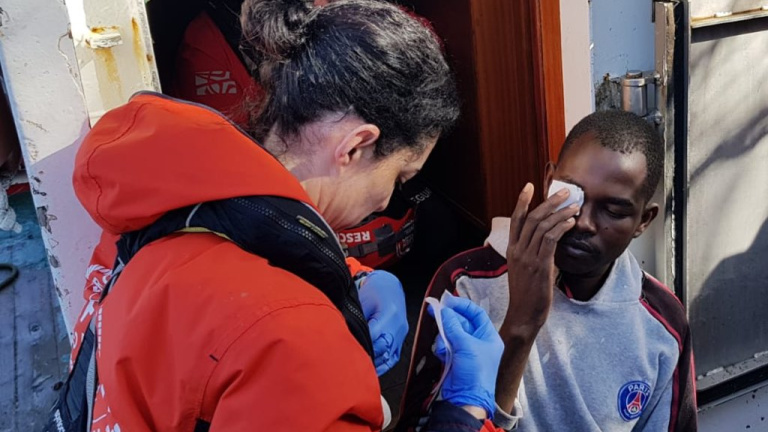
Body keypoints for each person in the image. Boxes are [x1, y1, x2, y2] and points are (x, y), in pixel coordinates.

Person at [54, 1, 507, 431]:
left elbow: (248, 251)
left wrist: (353, 279)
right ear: (354, 147)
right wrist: (464, 411)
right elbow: (264, 321)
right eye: (400, 176)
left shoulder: (161, 200)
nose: (388, 200)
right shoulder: (295, 343)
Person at [398, 111, 697, 431]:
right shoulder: (466, 284)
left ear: (643, 221)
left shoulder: (662, 323)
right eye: (571, 196)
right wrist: (520, 324)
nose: (583, 222)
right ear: (548, 180)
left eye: (613, 210)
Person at [172, 0, 433, 269]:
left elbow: (425, 77)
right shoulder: (211, 41)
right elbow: (226, 156)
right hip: (282, 185)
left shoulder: (362, 14)